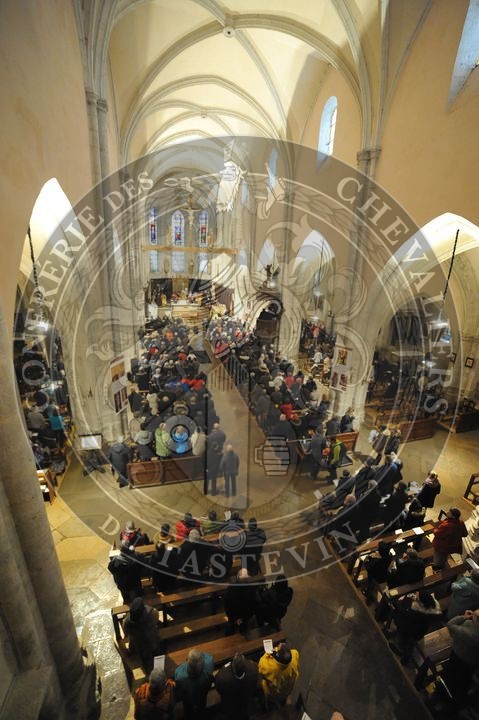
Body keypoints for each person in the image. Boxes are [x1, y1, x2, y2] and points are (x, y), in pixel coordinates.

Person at [388, 590, 442, 664]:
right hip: (421, 632)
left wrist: (403, 603)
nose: (416, 594)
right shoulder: (433, 608)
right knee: (410, 642)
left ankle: (401, 649)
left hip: (410, 630)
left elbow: (404, 616)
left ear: (421, 603)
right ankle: (405, 654)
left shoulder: (415, 610)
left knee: (399, 621)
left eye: (417, 596)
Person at [445, 609, 479, 701]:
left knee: (450, 675)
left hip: (456, 654)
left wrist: (463, 617)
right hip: (471, 662)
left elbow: (450, 624)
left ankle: (445, 695)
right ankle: (457, 699)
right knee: (463, 681)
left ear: (476, 619)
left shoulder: (466, 626)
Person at [123, 597, 162, 675]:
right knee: (156, 652)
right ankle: (159, 668)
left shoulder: (127, 622)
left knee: (144, 658)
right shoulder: (152, 613)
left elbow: (126, 633)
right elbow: (156, 620)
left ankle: (147, 670)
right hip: (153, 640)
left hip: (139, 646)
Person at [214, 653, 259, 720]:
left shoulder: (223, 677)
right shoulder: (253, 670)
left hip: (230, 702)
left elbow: (219, 689)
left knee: (231, 713)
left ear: (233, 669)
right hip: (245, 698)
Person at [258, 642, 300, 709]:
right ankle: (283, 704)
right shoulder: (294, 654)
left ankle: (272, 709)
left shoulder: (269, 667)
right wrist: (276, 653)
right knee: (283, 698)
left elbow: (260, 668)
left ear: (278, 655)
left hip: (273, 691)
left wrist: (268, 654)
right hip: (287, 688)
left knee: (272, 702)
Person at [174, 648, 214, 718]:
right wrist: (198, 656)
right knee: (201, 708)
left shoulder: (180, 674)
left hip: (188, 698)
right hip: (202, 694)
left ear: (187, 661)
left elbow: (179, 688)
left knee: (188, 710)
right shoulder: (209, 662)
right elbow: (208, 656)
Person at [224, 568, 257, 635]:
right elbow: (254, 603)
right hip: (245, 615)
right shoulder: (251, 589)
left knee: (232, 626)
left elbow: (226, 603)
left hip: (235, 615)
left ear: (238, 577)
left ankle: (232, 632)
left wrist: (232, 617)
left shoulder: (231, 588)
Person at [205, 423, 226, 495]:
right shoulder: (222, 434)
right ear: (219, 428)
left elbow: (209, 442)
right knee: (214, 480)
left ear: (213, 428)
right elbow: (224, 440)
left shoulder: (211, 435)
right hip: (219, 451)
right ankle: (213, 492)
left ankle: (206, 491)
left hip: (208, 468)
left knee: (207, 480)